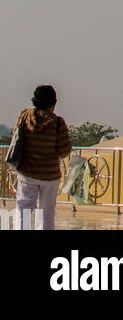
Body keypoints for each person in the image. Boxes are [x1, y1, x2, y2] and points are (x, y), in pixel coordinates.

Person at [12, 84, 71, 230]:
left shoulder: (24, 116)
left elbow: (15, 137)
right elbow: (64, 151)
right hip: (49, 175)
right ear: (53, 102)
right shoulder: (58, 123)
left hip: (27, 172)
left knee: (23, 210)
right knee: (46, 213)